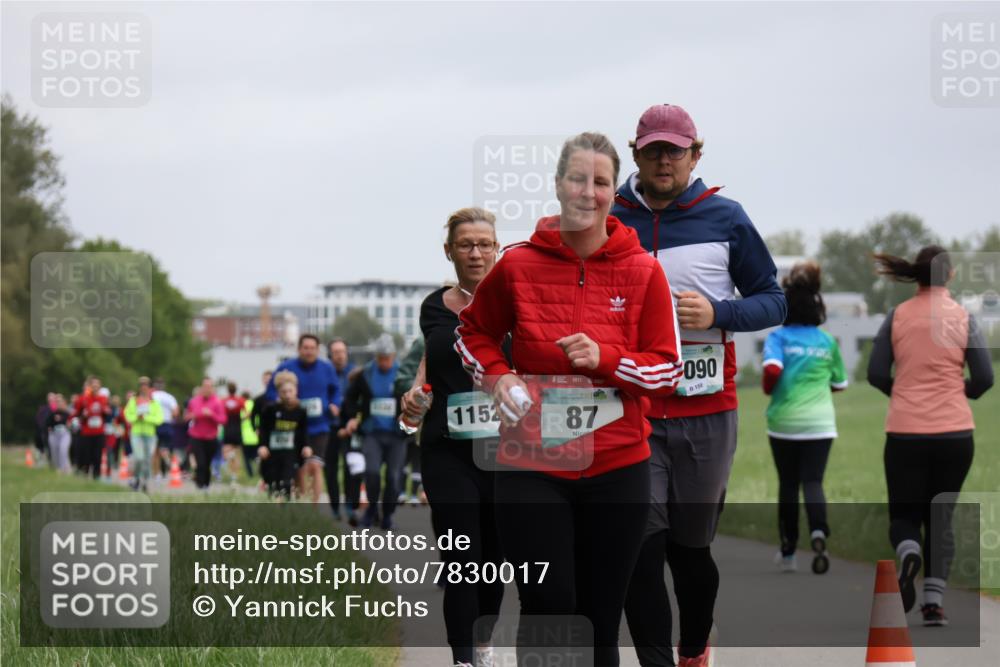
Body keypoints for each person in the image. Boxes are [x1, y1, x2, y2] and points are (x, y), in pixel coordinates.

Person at [456, 132, 682, 666]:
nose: (588, 192)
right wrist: (499, 378)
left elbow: (667, 370)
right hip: (532, 463)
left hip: (618, 465)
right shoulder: (516, 264)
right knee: (550, 605)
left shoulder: (644, 270)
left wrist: (604, 358)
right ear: (558, 186)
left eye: (600, 182)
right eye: (577, 179)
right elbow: (470, 333)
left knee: (601, 617)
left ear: (613, 191)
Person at [613, 104, 786, 666]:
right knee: (642, 546)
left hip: (706, 410)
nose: (664, 160)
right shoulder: (609, 219)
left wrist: (717, 312)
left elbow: (773, 300)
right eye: (653, 149)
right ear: (635, 153)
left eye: (675, 150)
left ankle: (694, 649)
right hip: (631, 407)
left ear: (696, 154)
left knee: (691, 551)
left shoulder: (727, 217)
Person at [400, 206, 507, 667]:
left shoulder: (516, 301)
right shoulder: (433, 306)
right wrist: (413, 395)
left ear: (497, 248)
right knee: (462, 555)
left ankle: (482, 645)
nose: (476, 253)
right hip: (447, 448)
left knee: (494, 559)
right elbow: (433, 362)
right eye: (466, 245)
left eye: (485, 244)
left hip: (505, 450)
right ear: (449, 251)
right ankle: (463, 658)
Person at [867, 245, 993, 626]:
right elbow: (985, 378)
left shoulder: (897, 316)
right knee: (941, 516)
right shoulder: (964, 317)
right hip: (955, 434)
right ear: (950, 275)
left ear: (917, 276)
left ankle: (908, 553)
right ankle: (934, 604)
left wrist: (904, 392)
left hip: (905, 432)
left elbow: (875, 373)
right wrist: (958, 393)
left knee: (904, 515)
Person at [761, 262, 847, 574]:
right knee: (813, 481)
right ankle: (819, 532)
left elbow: (772, 370)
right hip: (821, 423)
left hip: (784, 422)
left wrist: (769, 388)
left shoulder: (778, 338)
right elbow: (839, 384)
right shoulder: (827, 342)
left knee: (788, 484)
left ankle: (787, 552)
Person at [266, 334, 341, 506]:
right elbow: (270, 392)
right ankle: (302, 504)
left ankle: (314, 507)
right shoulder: (286, 367)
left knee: (315, 467)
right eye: (305, 348)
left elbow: (336, 391)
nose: (309, 352)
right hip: (295, 427)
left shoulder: (326, 368)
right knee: (300, 469)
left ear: (318, 349)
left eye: (312, 348)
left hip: (320, 425)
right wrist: (283, 402)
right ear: (299, 349)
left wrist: (334, 404)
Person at [342, 334, 406, 530]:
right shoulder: (366, 373)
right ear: (376, 357)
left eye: (388, 358)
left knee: (394, 477)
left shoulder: (403, 373)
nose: (384, 362)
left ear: (394, 356)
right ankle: (371, 511)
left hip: (397, 434)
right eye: (380, 358)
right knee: (371, 473)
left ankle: (387, 515)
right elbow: (350, 398)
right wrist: (352, 417)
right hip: (372, 433)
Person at [258, 371, 309, 500]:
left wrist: (306, 446)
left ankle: (284, 509)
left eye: (290, 391)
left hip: (290, 453)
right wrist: (262, 446)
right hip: (272, 453)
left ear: (295, 391)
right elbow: (263, 429)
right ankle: (274, 509)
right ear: (278, 393)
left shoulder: (300, 411)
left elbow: (303, 431)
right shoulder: (270, 409)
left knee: (286, 482)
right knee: (273, 483)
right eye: (283, 392)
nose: (287, 395)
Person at [326, 339, 362, 522]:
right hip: (330, 427)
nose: (339, 355)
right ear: (330, 354)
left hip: (350, 428)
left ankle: (350, 505)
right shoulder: (326, 372)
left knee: (352, 467)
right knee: (330, 469)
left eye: (342, 351)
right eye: (335, 352)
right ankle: (334, 507)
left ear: (347, 353)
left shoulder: (355, 373)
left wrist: (354, 420)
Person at [395, 336, 425, 505]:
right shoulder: (424, 342)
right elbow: (401, 379)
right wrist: (418, 391)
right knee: (410, 454)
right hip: (427, 416)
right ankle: (402, 492)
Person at [123, 377, 165, 492]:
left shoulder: (154, 402)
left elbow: (159, 419)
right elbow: (127, 415)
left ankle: (145, 482)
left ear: (149, 387)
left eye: (146, 385)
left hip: (150, 434)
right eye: (141, 385)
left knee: (147, 460)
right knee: (139, 458)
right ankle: (136, 478)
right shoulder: (133, 401)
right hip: (136, 433)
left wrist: (146, 417)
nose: (144, 387)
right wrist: (136, 417)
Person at [184, 377, 226, 490]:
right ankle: (200, 485)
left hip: (211, 437)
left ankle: (205, 485)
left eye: (209, 386)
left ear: (212, 388)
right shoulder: (194, 401)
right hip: (196, 436)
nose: (207, 389)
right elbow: (186, 416)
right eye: (205, 386)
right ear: (202, 388)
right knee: (200, 462)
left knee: (207, 463)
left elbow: (223, 420)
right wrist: (192, 416)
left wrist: (211, 414)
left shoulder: (217, 402)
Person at [71, 376, 110, 479]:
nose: (95, 387)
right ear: (90, 386)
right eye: (93, 385)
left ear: (100, 387)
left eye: (97, 385)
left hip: (99, 432)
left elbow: (107, 414)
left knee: (97, 456)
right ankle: (85, 475)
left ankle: (96, 477)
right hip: (86, 433)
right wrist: (82, 416)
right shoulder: (83, 399)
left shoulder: (103, 399)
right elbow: (75, 414)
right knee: (86, 455)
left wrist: (106, 412)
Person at [152, 378, 180, 477]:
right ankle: (167, 458)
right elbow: (176, 412)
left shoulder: (152, 396)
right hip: (167, 424)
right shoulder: (169, 397)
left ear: (155, 386)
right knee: (166, 447)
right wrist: (170, 417)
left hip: (155, 424)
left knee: (155, 451)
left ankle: (157, 473)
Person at [221, 382, 246, 484]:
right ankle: (234, 476)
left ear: (228, 390)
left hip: (227, 427)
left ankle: (229, 460)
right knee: (237, 454)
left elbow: (220, 412)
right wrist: (242, 419)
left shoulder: (224, 401)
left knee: (226, 451)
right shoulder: (240, 400)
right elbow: (247, 412)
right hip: (237, 427)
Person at [46, 394, 72, 472]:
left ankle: (65, 468)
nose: (59, 403)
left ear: (64, 402)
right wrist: (49, 427)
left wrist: (69, 425)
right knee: (55, 452)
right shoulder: (52, 413)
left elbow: (71, 423)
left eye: (60, 401)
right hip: (54, 434)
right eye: (57, 402)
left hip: (65, 434)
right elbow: (47, 424)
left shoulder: (67, 413)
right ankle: (57, 467)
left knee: (63, 449)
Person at [239, 390, 259, 478]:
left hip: (245, 435)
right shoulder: (254, 404)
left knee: (246, 458)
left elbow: (239, 418)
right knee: (255, 455)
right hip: (255, 434)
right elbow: (258, 418)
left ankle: (250, 474)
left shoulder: (241, 405)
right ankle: (259, 469)